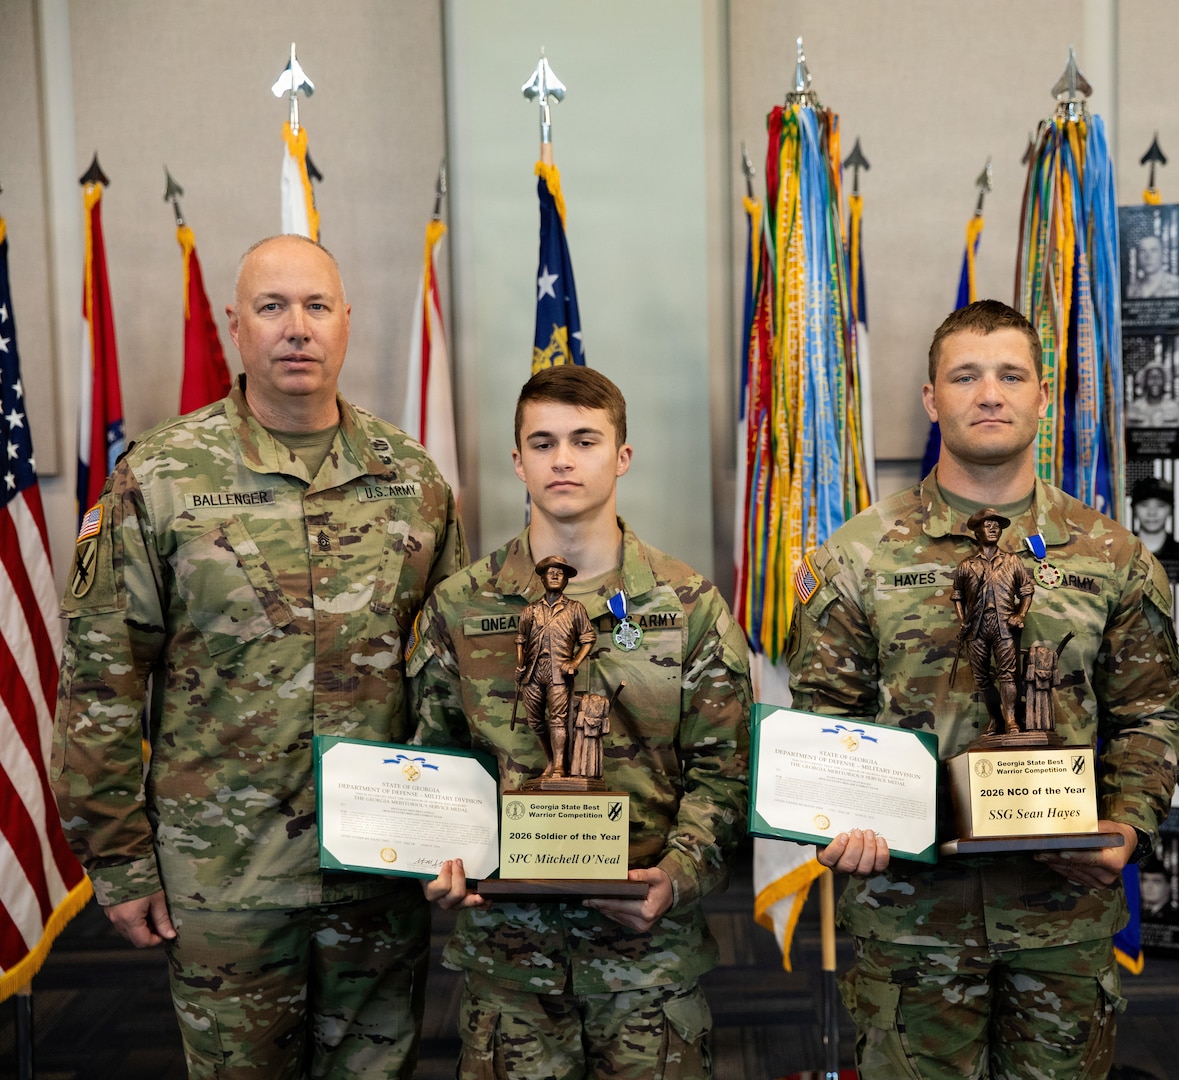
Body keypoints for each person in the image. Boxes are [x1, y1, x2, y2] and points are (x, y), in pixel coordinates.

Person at [52, 234, 466, 1078]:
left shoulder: (413, 480)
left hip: (379, 875)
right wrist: (119, 858)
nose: (297, 329)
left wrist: (460, 830)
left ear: (347, 322)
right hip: (226, 878)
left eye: (316, 306)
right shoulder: (160, 479)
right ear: (236, 326)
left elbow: (451, 680)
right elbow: (102, 677)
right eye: (272, 308)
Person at [789, 299, 1179, 1079]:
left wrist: (1130, 826)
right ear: (932, 401)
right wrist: (841, 821)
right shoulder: (858, 556)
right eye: (965, 376)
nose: (989, 394)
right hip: (910, 915)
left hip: (1062, 916)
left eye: (1010, 375)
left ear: (1045, 395)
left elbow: (1152, 713)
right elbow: (821, 720)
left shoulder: (1111, 553)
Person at [409, 364, 752, 1080]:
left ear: (621, 457)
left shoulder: (688, 605)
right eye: (543, 442)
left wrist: (679, 875)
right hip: (510, 967)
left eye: (585, 440)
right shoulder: (461, 606)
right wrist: (437, 858)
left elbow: (725, 774)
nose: (563, 459)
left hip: (648, 965)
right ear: (518, 461)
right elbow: (433, 761)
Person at [952, 507, 1036, 733]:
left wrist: (1020, 615)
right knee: (981, 678)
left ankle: (1011, 720)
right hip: (976, 628)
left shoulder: (1012, 561)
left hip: (1004, 626)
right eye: (987, 525)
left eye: (996, 526)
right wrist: (963, 621)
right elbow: (957, 596)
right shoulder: (966, 565)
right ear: (977, 532)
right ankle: (996, 719)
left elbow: (1027, 590)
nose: (993, 529)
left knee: (1008, 675)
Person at [515, 554, 595, 778]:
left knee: (558, 719)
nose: (556, 575)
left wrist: (575, 662)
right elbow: (520, 639)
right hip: (533, 671)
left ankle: (559, 766)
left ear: (566, 580)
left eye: (560, 573)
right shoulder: (530, 611)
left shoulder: (575, 609)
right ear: (542, 579)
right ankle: (550, 760)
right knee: (534, 720)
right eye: (551, 572)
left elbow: (588, 638)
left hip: (559, 672)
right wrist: (520, 665)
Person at [1128, 476, 1179, 568]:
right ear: (1134, 509)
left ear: (1171, 510)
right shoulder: (1121, 552)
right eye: (1144, 505)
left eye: (1160, 505)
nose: (1152, 513)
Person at [1125, 362, 1179, 427]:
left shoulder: (1175, 408)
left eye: (1159, 377)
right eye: (1151, 377)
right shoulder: (1134, 407)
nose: (1155, 382)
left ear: (1164, 381)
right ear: (1145, 381)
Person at [1127, 234, 1179, 299]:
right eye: (1143, 251)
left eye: (1154, 250)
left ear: (1163, 255)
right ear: (1138, 256)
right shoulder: (1131, 290)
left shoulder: (1177, 285)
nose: (1148, 256)